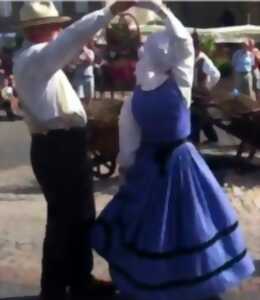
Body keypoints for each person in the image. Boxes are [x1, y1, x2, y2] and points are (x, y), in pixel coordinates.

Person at [92, 2, 254, 300]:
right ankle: (197, 282)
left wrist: (128, 179)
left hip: (149, 166)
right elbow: (182, 42)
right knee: (195, 223)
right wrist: (159, 8)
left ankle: (157, 283)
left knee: (154, 229)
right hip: (184, 163)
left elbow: (127, 152)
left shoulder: (134, 100)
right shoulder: (180, 85)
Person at [13, 1, 134, 300]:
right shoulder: (36, 57)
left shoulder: (36, 60)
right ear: (40, 30)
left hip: (61, 144)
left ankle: (78, 280)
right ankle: (55, 288)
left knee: (77, 216)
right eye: (54, 25)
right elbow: (72, 38)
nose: (59, 30)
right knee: (65, 220)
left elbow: (69, 45)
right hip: (59, 146)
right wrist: (109, 11)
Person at [191, 31, 221, 145]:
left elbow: (216, 74)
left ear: (197, 48)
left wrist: (207, 87)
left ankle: (195, 141)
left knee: (197, 116)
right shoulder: (193, 58)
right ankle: (213, 138)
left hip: (201, 95)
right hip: (194, 93)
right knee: (203, 116)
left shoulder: (204, 60)